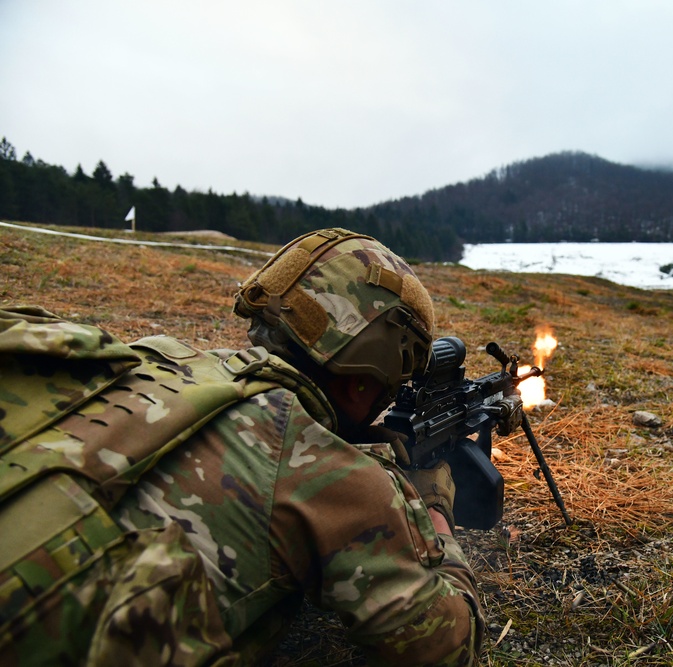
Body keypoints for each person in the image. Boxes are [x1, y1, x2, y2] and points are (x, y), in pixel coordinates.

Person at [0, 228, 484, 666]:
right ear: (373, 367)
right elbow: (447, 649)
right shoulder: (333, 475)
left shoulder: (159, 356)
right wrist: (435, 511)